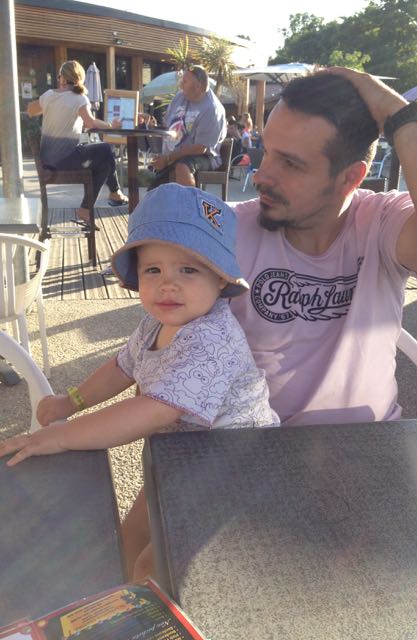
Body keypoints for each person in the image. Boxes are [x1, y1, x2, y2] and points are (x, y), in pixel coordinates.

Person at [0, 183, 279, 577]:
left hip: (234, 465)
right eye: (153, 269)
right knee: (130, 535)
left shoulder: (211, 339)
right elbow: (123, 366)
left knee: (159, 562)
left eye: (188, 269)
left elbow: (153, 411)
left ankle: (149, 607)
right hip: (182, 456)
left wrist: (61, 436)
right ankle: (127, 595)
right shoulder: (155, 322)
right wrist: (72, 400)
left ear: (220, 278)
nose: (168, 283)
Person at [228, 67, 417, 426]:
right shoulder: (226, 232)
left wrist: (396, 110)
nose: (262, 176)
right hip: (256, 443)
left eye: (290, 163)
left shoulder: (381, 223)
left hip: (368, 443)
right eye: (267, 152)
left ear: (350, 178)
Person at [27, 60, 128, 228]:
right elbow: (90, 123)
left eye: (59, 76)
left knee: (103, 164)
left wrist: (47, 106)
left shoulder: (49, 95)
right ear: (80, 78)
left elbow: (31, 110)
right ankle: (110, 194)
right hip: (64, 160)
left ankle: (97, 203)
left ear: (62, 78)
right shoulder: (79, 99)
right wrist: (111, 125)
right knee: (105, 149)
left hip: (47, 162)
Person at [149, 65, 226, 189]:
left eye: (185, 81)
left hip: (204, 157)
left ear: (198, 86)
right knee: (154, 195)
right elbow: (167, 127)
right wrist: (151, 125)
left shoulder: (212, 109)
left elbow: (200, 148)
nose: (181, 84)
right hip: (175, 155)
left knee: (182, 167)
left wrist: (168, 158)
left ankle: (190, 200)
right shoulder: (179, 97)